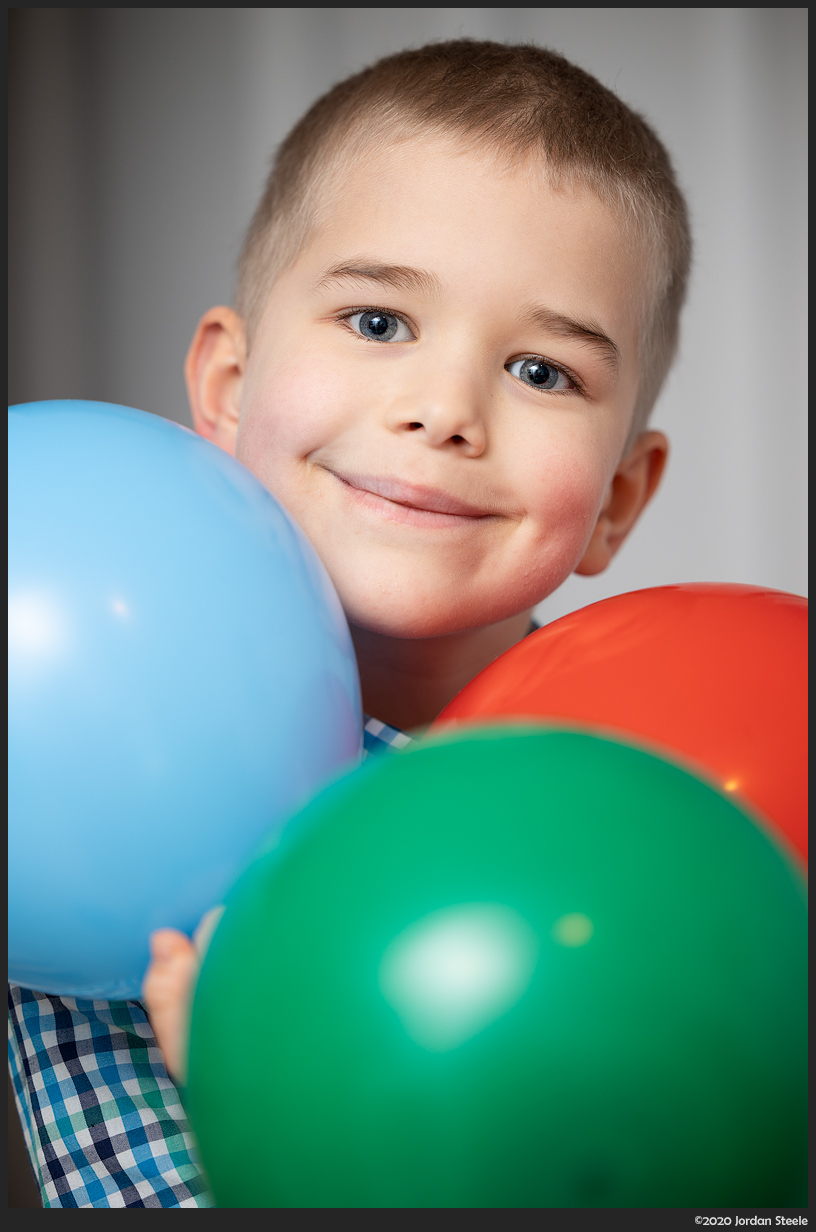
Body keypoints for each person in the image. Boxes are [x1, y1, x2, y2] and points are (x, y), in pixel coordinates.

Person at [9, 38, 690, 1206]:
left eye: (540, 370)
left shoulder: (647, 807)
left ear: (616, 500)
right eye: (378, 323)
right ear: (228, 387)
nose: (444, 411)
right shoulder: (80, 770)